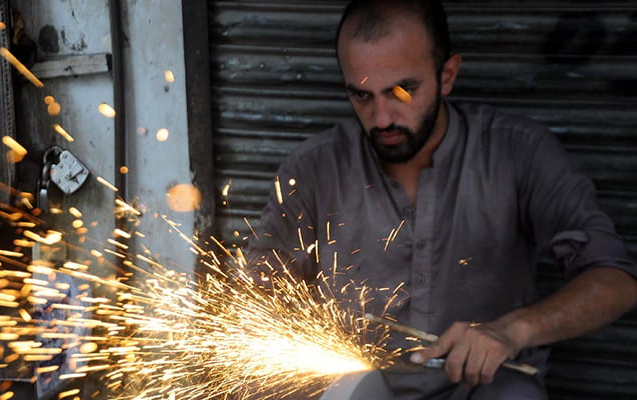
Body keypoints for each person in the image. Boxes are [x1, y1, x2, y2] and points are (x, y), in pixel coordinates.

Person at [245, 0, 637, 398]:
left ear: (447, 75)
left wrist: (511, 331)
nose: (381, 118)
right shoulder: (314, 167)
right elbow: (256, 296)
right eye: (362, 96)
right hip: (355, 388)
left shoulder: (518, 151)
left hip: (482, 387)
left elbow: (615, 280)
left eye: (401, 90)